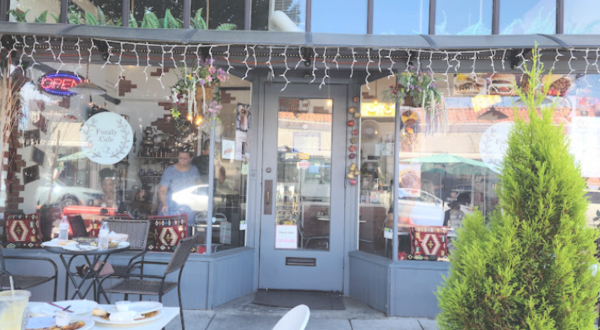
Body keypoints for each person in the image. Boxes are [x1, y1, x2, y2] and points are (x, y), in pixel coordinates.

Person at [158, 148, 201, 222]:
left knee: (187, 229)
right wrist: (164, 203)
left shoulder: (194, 170)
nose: (182, 161)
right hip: (171, 205)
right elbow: (162, 190)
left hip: (188, 206)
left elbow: (199, 187)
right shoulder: (169, 171)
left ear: (191, 159)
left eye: (185, 159)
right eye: (180, 158)